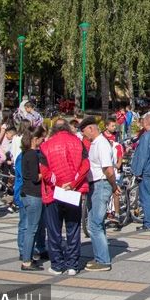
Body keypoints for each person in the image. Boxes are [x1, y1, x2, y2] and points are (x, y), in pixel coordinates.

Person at [39, 118, 90, 276]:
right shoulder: (78, 142)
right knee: (73, 228)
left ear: (53, 129)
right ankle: (72, 264)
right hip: (73, 190)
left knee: (54, 230)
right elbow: (85, 165)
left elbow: (44, 170)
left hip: (54, 192)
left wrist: (58, 183)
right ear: (68, 127)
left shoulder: (46, 145)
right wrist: (73, 183)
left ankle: (57, 264)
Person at [79, 117, 118, 272]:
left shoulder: (101, 144)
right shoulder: (96, 143)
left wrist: (114, 185)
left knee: (95, 223)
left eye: (84, 132)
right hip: (95, 185)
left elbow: (108, 169)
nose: (84, 136)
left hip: (101, 184)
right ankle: (99, 256)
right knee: (96, 223)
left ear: (90, 128)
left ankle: (103, 261)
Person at [18, 125, 47, 271]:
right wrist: (45, 173)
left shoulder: (25, 153)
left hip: (26, 193)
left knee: (31, 227)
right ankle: (27, 261)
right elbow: (35, 177)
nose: (43, 141)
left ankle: (27, 256)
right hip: (33, 194)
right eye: (42, 138)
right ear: (35, 139)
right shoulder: (32, 155)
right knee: (32, 228)